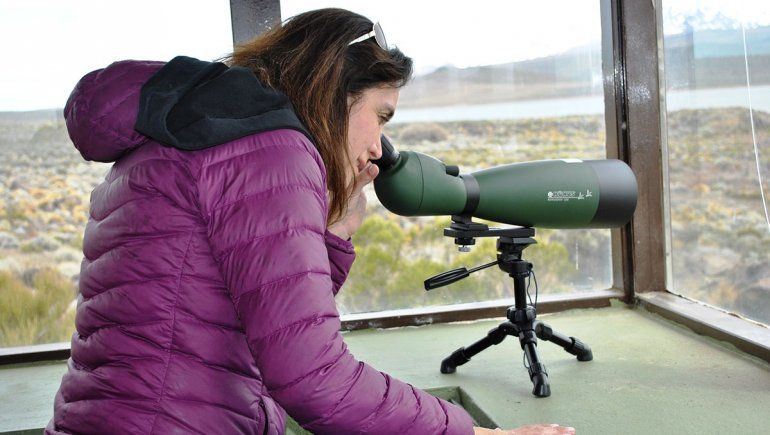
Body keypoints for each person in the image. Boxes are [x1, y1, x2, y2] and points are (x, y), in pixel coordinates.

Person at [47, 8, 575, 435]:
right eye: (381, 115)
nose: (377, 147)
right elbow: (312, 377)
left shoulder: (191, 134)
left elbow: (257, 309)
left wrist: (335, 233)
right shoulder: (272, 149)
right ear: (333, 91)